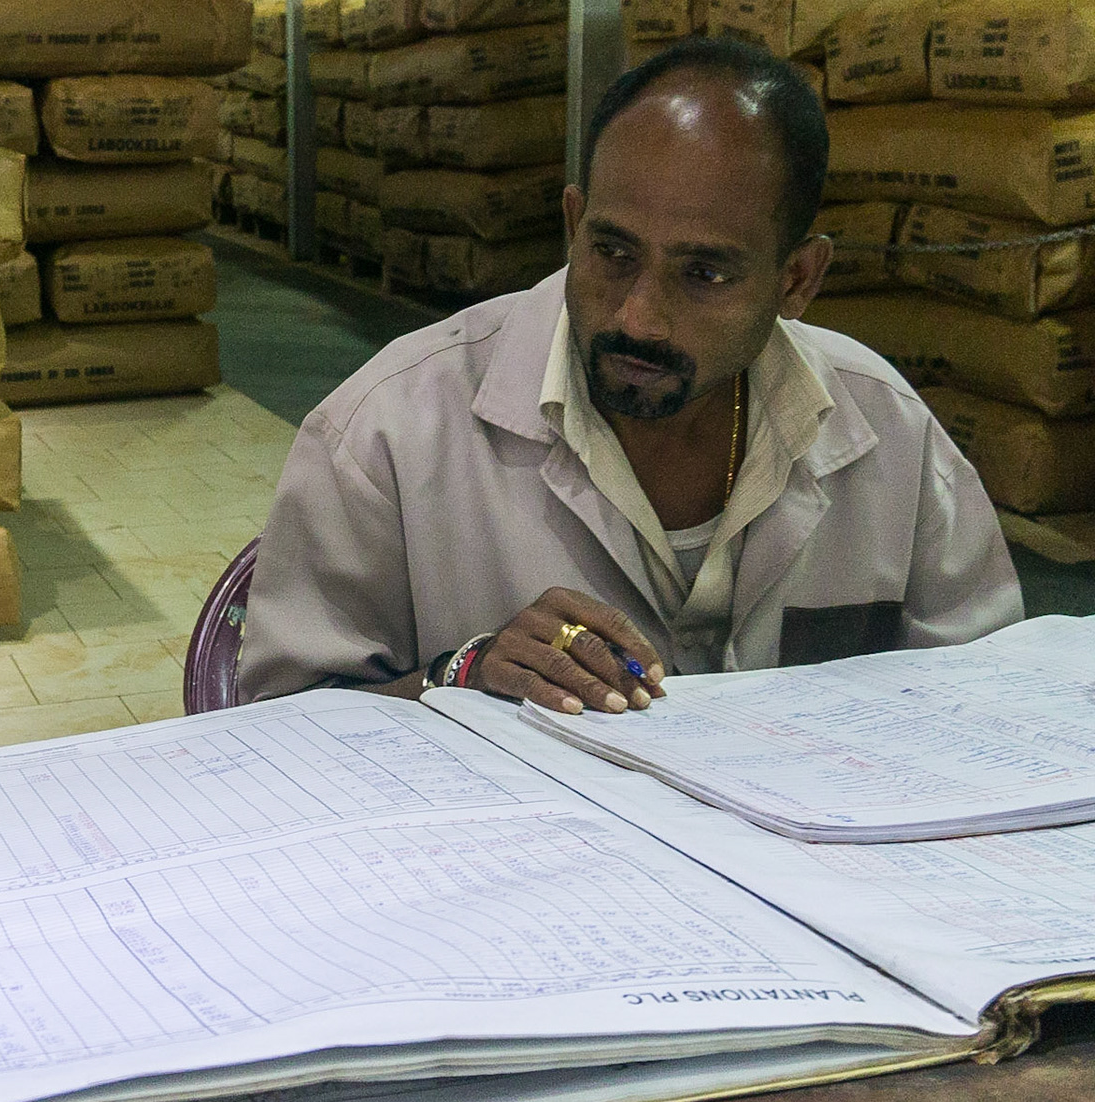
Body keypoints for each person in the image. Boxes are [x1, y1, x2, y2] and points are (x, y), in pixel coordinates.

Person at [237, 38, 1022, 713]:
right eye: (613, 254)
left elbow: (991, 695)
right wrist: (458, 677)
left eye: (704, 274)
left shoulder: (884, 431)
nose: (639, 318)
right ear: (574, 225)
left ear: (797, 281)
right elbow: (270, 730)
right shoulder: (389, 431)